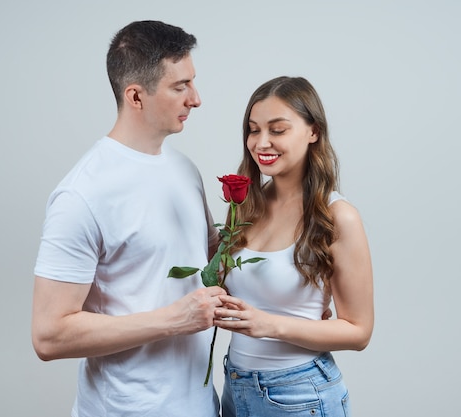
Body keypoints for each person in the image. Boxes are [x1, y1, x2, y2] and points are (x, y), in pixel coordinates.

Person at [31, 20, 226, 417]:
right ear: (135, 96)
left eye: (193, 82)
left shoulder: (185, 169)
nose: (196, 99)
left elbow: (212, 263)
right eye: (180, 87)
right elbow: (49, 336)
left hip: (203, 406)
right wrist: (173, 319)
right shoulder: (81, 194)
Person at [213, 76, 374, 417]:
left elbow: (359, 331)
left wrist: (270, 325)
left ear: (313, 131)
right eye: (254, 130)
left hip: (299, 394)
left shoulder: (338, 216)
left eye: (278, 129)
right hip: (235, 385)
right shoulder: (245, 207)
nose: (261, 142)